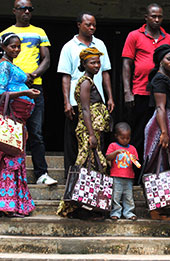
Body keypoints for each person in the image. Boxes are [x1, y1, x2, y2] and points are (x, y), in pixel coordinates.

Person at [0, 0, 57, 186]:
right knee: (11, 131)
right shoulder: (5, 33)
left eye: (30, 9)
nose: (26, 12)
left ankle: (41, 173)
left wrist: (32, 75)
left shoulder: (39, 32)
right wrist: (17, 78)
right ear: (14, 10)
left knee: (36, 131)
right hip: (11, 89)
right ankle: (10, 173)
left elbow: (46, 59)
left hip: (34, 86)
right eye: (22, 9)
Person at [0, 33, 41, 217]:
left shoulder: (10, 65)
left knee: (15, 158)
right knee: (8, 158)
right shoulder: (3, 66)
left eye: (18, 46)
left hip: (16, 119)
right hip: (9, 118)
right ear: (3, 47)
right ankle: (5, 204)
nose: (16, 49)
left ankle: (12, 202)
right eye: (12, 47)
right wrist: (25, 92)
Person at [57, 12, 115, 178]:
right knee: (74, 140)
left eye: (94, 25)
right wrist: (66, 102)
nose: (92, 28)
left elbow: (105, 73)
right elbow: (65, 76)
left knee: (97, 140)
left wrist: (109, 97)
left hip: (97, 102)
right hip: (76, 102)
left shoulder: (100, 44)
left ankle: (94, 179)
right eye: (88, 24)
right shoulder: (69, 46)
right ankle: (72, 178)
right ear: (78, 25)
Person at [57, 47, 111, 219]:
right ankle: (74, 207)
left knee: (93, 167)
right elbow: (85, 110)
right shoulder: (85, 82)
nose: (96, 65)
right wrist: (92, 134)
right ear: (84, 64)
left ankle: (89, 206)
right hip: (88, 132)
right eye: (92, 62)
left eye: (97, 62)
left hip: (92, 130)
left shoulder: (90, 80)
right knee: (85, 167)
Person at [122, 3, 170, 168]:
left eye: (160, 16)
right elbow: (126, 64)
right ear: (146, 17)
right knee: (139, 134)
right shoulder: (134, 36)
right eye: (153, 16)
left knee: (160, 133)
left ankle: (154, 172)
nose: (157, 19)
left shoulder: (169, 38)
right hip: (140, 92)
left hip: (161, 94)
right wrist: (127, 91)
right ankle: (135, 171)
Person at [142, 44, 170, 220]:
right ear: (160, 60)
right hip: (163, 127)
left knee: (169, 166)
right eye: (169, 59)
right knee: (158, 165)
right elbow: (160, 108)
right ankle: (156, 210)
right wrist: (164, 132)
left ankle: (169, 205)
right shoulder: (159, 80)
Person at [106, 122, 138, 221]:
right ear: (116, 136)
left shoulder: (132, 148)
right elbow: (107, 157)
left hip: (128, 177)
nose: (125, 140)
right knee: (116, 195)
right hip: (116, 176)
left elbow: (137, 164)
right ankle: (115, 212)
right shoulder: (113, 146)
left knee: (128, 196)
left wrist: (133, 159)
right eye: (122, 138)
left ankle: (128, 212)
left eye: (127, 138)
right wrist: (116, 152)